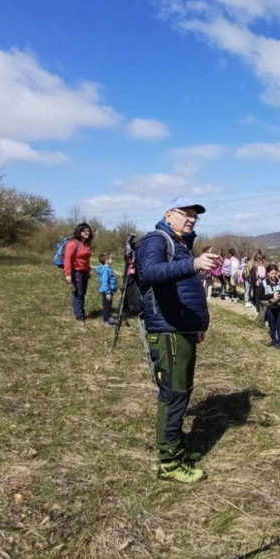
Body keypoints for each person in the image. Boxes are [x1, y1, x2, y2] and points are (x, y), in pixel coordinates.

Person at [137, 198, 221, 484]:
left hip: (182, 327)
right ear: (168, 214)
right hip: (167, 328)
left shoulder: (181, 244)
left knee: (182, 390)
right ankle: (169, 462)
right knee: (173, 393)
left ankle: (174, 444)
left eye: (195, 216)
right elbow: (149, 273)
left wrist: (196, 324)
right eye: (185, 214)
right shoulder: (156, 240)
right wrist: (193, 263)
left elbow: (184, 289)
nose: (191, 219)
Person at [63, 222, 93, 323]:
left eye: (88, 231)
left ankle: (81, 312)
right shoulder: (72, 243)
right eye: (85, 231)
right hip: (76, 272)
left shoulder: (87, 244)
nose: (87, 233)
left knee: (82, 293)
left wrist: (88, 270)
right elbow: (67, 259)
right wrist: (68, 274)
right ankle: (79, 316)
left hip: (84, 272)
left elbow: (86, 259)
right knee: (78, 294)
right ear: (79, 231)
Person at [258, 264, 280, 350]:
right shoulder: (263, 283)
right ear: (267, 274)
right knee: (272, 326)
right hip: (270, 308)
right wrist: (272, 296)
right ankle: (274, 342)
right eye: (272, 273)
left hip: (279, 307)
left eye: (275, 273)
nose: (274, 275)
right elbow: (260, 296)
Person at [96, 253, 118, 327]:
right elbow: (105, 282)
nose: (112, 260)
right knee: (107, 306)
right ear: (106, 260)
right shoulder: (105, 270)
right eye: (110, 258)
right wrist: (108, 292)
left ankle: (108, 317)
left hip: (110, 291)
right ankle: (106, 321)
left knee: (109, 305)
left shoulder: (109, 268)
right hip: (107, 292)